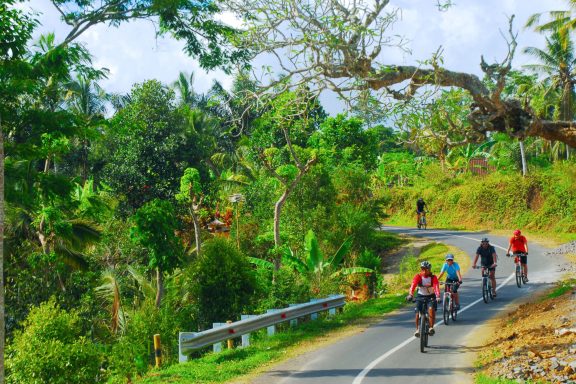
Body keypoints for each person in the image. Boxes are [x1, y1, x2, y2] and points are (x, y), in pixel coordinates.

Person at [406, 261, 441, 338]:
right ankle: (417, 329)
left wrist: (438, 296)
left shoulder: (433, 277)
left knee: (431, 309)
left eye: (426, 269)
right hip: (420, 296)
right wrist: (410, 294)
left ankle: (431, 328)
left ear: (429, 269)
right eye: (422, 269)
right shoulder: (418, 276)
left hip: (431, 296)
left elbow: (436, 287)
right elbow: (413, 285)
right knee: (417, 312)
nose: (424, 271)